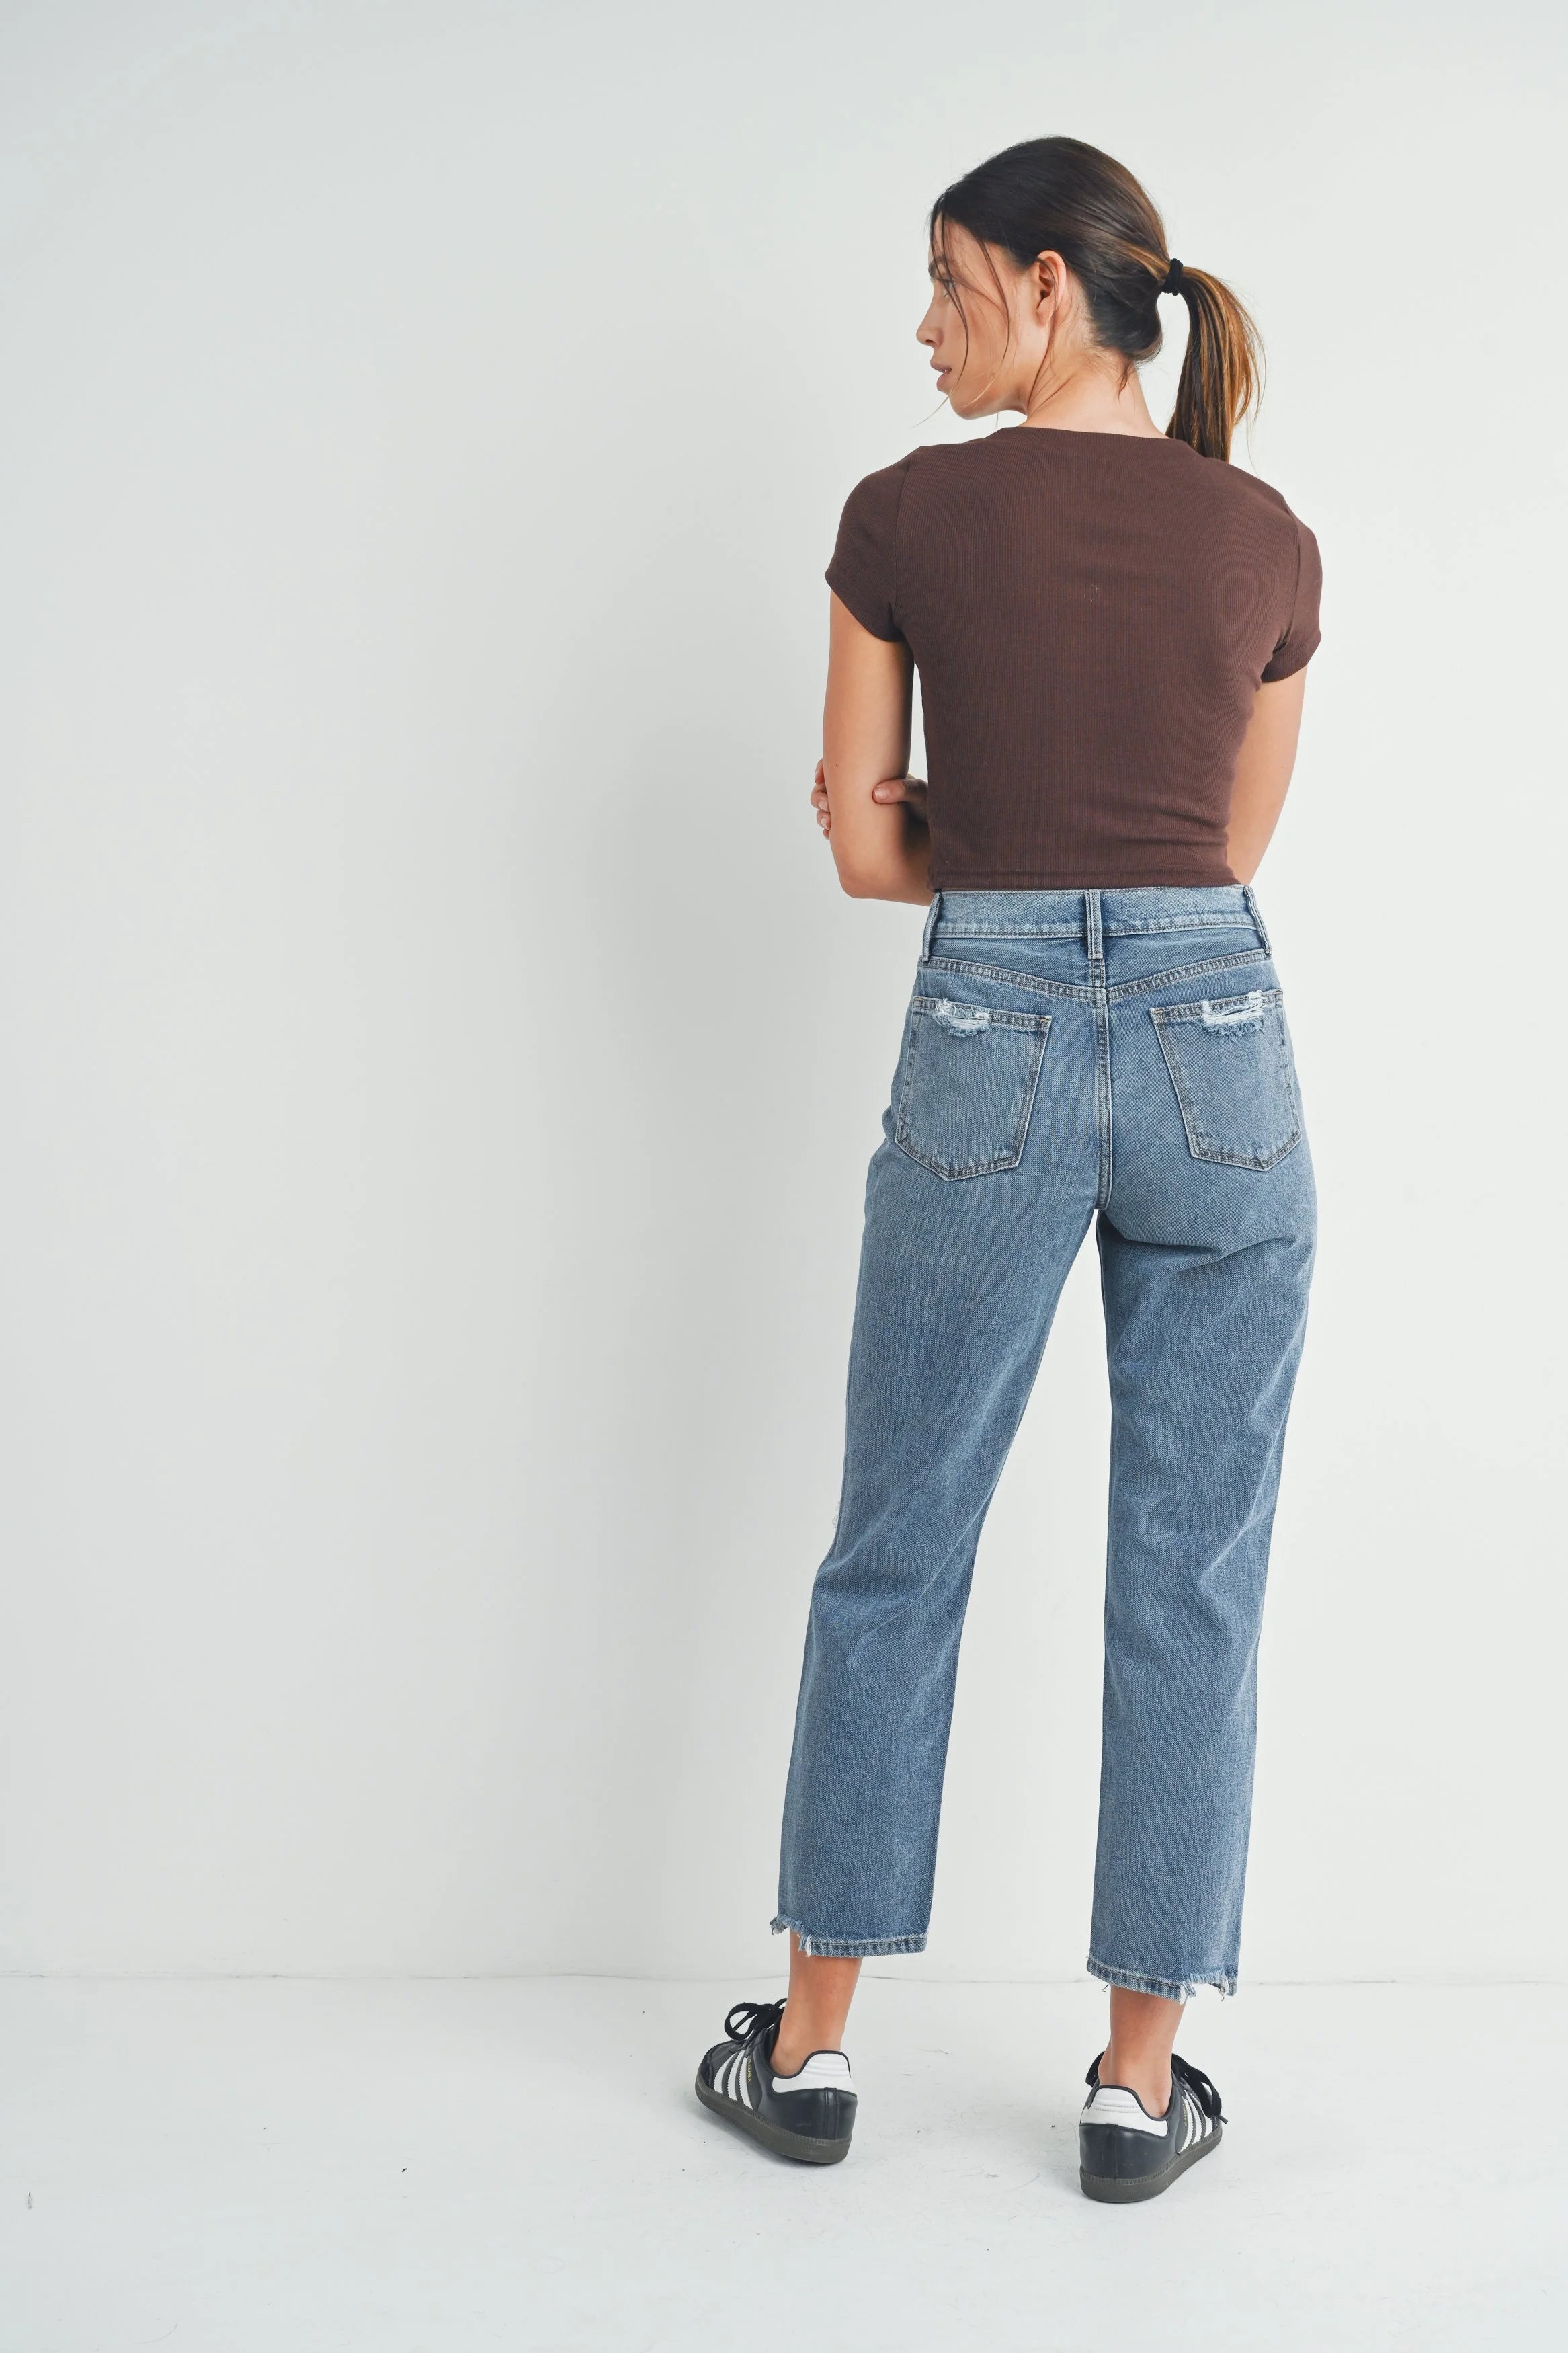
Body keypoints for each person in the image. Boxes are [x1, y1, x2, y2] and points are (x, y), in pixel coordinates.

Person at [694, 135, 1320, 2203]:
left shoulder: (904, 515)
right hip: (1222, 1039)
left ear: (1054, 288)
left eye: (952, 285)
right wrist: (1087, 859)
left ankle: (809, 2054)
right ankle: (1137, 2088)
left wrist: (979, 841)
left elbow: (870, 846)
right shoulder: (1268, 541)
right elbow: (1221, 855)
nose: (928, 325)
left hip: (993, 1025)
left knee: (900, 1540)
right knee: (1193, 1564)